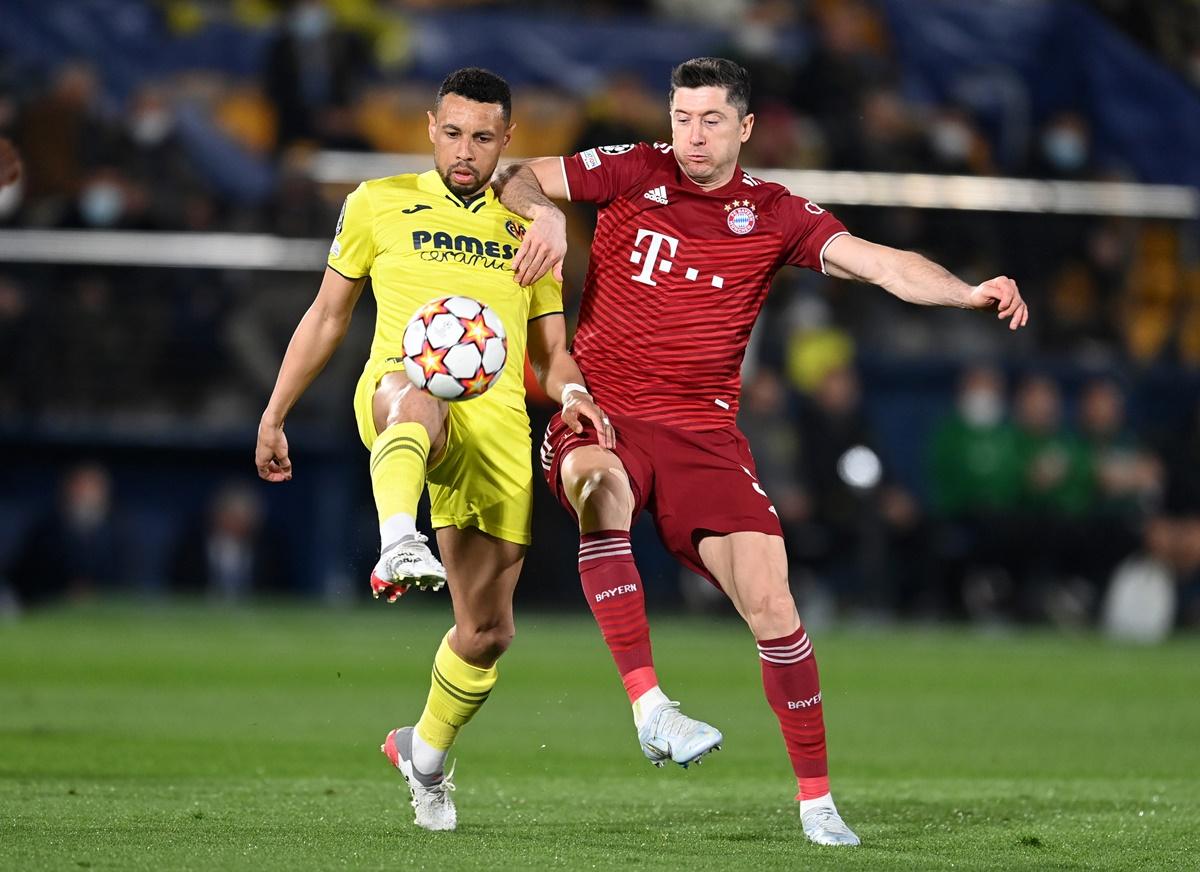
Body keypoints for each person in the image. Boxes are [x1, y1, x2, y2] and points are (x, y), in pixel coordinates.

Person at [494, 56, 1029, 847]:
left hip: (704, 433)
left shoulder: (774, 213)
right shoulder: (632, 170)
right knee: (596, 483)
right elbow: (512, 174)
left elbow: (878, 262)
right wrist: (541, 211)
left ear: (745, 127)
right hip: (600, 407)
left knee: (775, 604)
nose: (693, 135)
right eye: (682, 118)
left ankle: (817, 803)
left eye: (711, 120)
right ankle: (651, 707)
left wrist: (965, 291)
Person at [254, 68, 608, 832]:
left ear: (508, 140)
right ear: (428, 127)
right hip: (399, 393)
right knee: (416, 394)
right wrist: (275, 411)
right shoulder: (376, 203)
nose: (465, 150)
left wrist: (575, 395)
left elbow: (552, 354)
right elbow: (325, 317)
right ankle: (396, 541)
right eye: (452, 132)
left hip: (498, 428)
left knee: (487, 631)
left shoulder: (530, 229)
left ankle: (424, 756)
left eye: (483, 137)